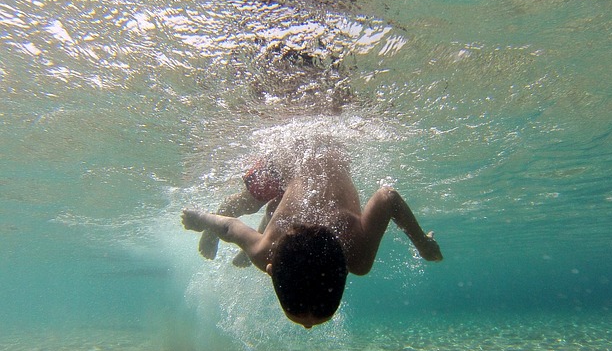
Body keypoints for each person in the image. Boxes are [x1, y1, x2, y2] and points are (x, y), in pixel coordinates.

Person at [181, 138, 443, 329]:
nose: (307, 328)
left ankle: (256, 229)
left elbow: (388, 197)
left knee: (272, 211)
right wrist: (203, 220)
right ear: (271, 269)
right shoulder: (266, 253)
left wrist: (422, 243)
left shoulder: (358, 257)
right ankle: (232, 233)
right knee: (249, 203)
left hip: (295, 162)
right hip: (287, 159)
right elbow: (227, 226)